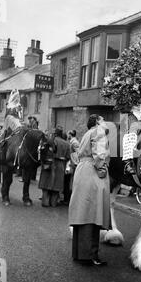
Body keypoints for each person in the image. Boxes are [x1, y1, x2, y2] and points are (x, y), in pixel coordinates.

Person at [68, 114, 110, 266]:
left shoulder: (87, 133)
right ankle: (91, 255)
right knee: (93, 214)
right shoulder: (98, 131)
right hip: (92, 173)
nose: (105, 122)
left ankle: (80, 254)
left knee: (82, 213)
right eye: (103, 120)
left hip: (82, 171)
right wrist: (102, 170)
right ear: (98, 122)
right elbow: (99, 155)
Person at [38, 126, 70, 207]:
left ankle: (45, 202)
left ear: (55, 134)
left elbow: (42, 152)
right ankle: (53, 203)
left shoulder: (49, 141)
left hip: (49, 164)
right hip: (60, 165)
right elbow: (68, 157)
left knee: (46, 185)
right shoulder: (66, 144)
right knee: (57, 186)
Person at [62, 130, 80, 205]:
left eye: (68, 134)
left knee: (70, 182)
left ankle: (69, 199)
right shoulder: (72, 142)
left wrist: (74, 164)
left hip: (72, 165)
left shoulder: (74, 142)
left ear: (70, 135)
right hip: (71, 164)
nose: (67, 135)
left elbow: (77, 154)